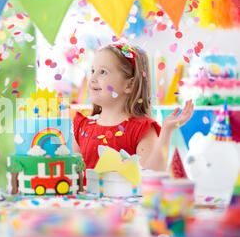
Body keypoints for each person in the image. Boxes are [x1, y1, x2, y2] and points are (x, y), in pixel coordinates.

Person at [73, 43, 194, 172]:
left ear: (129, 85)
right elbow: (72, 175)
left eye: (103, 72)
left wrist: (166, 132)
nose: (92, 79)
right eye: (92, 71)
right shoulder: (81, 126)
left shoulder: (141, 130)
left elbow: (152, 176)